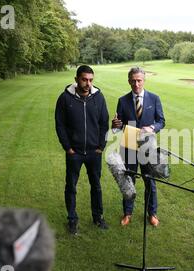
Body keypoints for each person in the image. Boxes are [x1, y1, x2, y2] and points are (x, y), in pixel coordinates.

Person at [55, 65, 109, 234]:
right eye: (84, 79)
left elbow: (104, 123)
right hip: (75, 152)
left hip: (94, 152)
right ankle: (72, 219)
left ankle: (98, 217)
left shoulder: (99, 98)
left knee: (96, 186)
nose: (88, 83)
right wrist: (68, 147)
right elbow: (60, 125)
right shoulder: (64, 98)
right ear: (76, 79)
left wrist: (101, 146)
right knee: (71, 186)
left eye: (91, 80)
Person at [112, 67, 165, 227]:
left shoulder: (154, 99)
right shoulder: (122, 100)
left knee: (150, 182)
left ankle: (152, 213)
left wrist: (152, 128)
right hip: (128, 146)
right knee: (129, 181)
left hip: (148, 146)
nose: (136, 84)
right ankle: (127, 213)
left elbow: (161, 121)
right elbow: (117, 126)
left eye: (139, 80)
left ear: (144, 80)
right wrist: (115, 124)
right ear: (129, 81)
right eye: (133, 80)